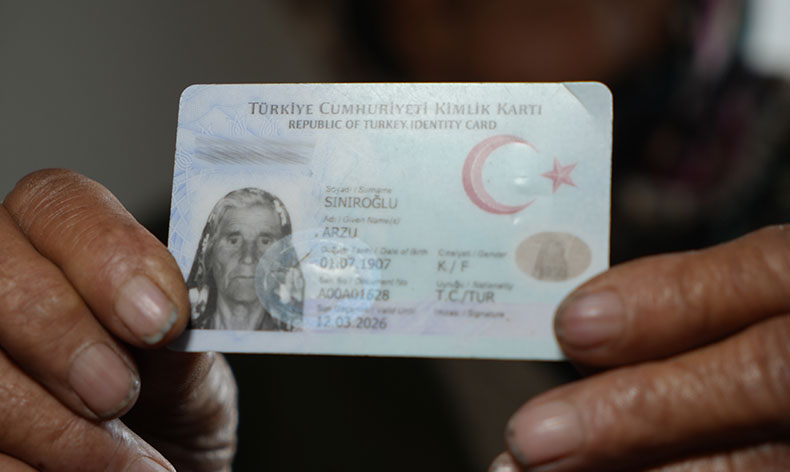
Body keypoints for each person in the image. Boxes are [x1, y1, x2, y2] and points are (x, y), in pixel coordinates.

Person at [187, 187, 304, 331]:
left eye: (265, 241)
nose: (248, 258)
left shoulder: (301, 341)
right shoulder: (180, 337)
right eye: (234, 241)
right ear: (209, 254)